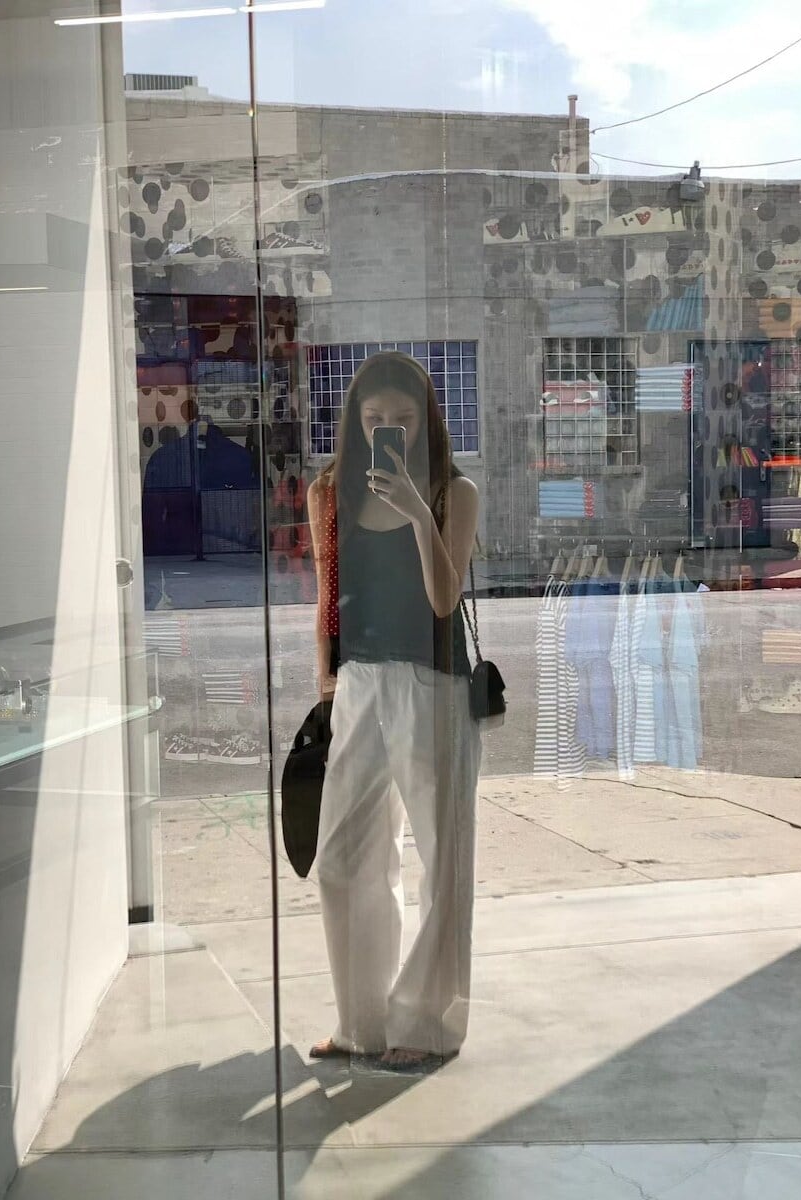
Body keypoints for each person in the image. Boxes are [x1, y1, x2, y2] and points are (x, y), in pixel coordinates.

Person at [306, 351, 481, 1069]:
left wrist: (416, 510)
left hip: (433, 684)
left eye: (404, 419)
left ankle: (427, 1024)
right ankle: (362, 1022)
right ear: (355, 421)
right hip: (357, 684)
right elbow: (327, 595)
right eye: (374, 417)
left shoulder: (453, 491)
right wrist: (325, 679)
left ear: (427, 421)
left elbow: (443, 600)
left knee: (442, 855)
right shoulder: (329, 490)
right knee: (342, 856)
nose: (389, 429)